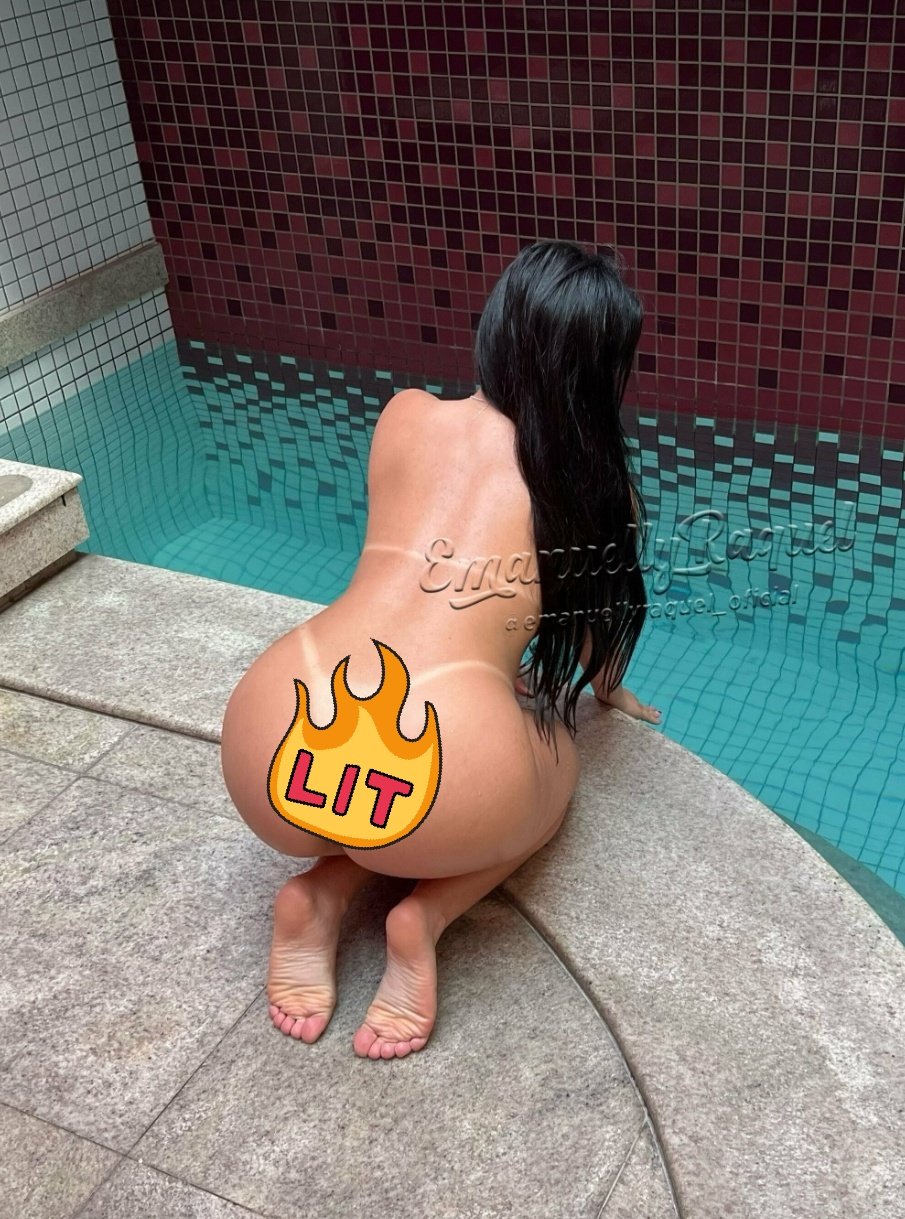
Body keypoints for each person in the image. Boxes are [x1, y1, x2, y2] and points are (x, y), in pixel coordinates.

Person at [219, 239, 660, 1061]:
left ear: (496, 326)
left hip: (272, 725)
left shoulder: (405, 413)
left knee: (372, 800)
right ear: (601, 370)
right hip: (446, 761)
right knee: (555, 762)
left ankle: (325, 888)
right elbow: (597, 629)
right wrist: (608, 694)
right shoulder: (592, 488)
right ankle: (423, 916)